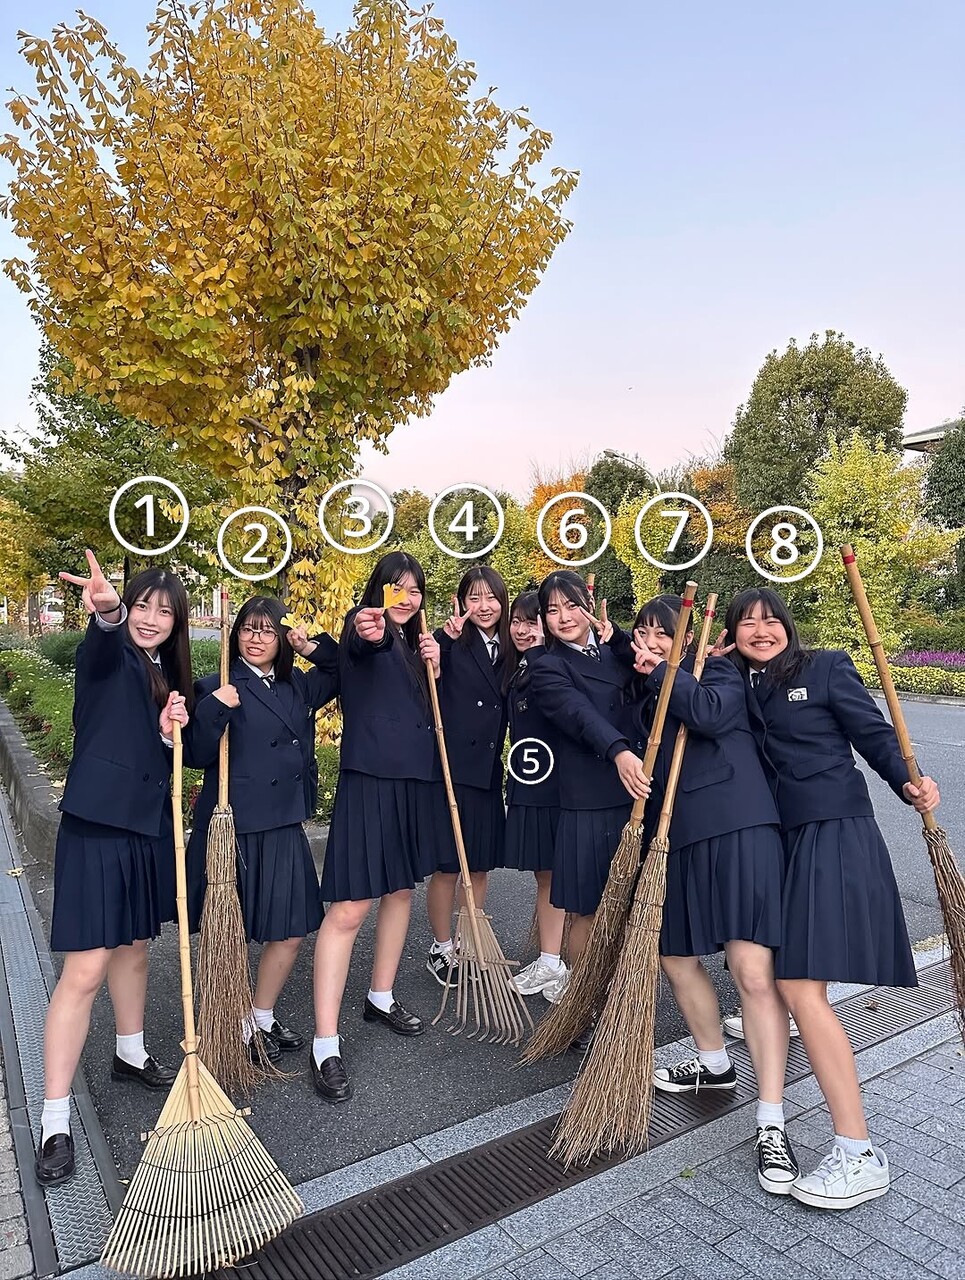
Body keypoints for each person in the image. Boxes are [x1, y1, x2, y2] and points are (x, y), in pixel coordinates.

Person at [723, 586, 940, 1209]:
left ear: (788, 626)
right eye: (746, 623)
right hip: (779, 842)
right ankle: (851, 1146)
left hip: (833, 829)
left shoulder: (824, 667)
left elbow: (874, 735)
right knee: (791, 984)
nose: (760, 630)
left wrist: (909, 782)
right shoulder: (737, 683)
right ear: (732, 634)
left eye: (770, 620)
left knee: (799, 987)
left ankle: (858, 1152)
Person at [35, 551, 204, 1185]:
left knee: (134, 947)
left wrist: (166, 733)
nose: (150, 618)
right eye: (140, 606)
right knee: (85, 969)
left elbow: (146, 745)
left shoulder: (166, 670)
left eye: (164, 611)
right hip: (98, 827)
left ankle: (129, 1053)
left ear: (178, 622)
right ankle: (54, 1119)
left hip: (146, 828)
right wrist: (106, 611)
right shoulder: (106, 655)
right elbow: (102, 646)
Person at [628, 594, 797, 1194]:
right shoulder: (646, 687)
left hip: (739, 826)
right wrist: (648, 680)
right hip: (677, 837)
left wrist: (667, 671)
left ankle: (772, 1120)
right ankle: (715, 1063)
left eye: (663, 633)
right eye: (643, 633)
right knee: (675, 956)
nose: (652, 642)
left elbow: (707, 715)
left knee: (752, 970)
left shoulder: (720, 672)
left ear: (686, 638)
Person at [311, 552, 447, 1103]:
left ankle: (380, 996)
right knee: (350, 907)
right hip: (369, 779)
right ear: (377, 593)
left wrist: (435, 665)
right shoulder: (363, 628)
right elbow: (363, 639)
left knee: (400, 891)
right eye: (395, 588)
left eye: (415, 590)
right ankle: (325, 1043)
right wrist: (369, 628)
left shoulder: (417, 646)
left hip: (415, 781)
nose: (406, 599)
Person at [187, 596, 339, 1063]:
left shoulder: (297, 685)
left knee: (290, 929)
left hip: (283, 821)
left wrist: (309, 647)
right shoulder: (216, 684)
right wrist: (215, 708)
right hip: (233, 827)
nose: (256, 638)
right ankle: (232, 1020)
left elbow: (340, 669)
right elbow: (194, 754)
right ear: (235, 635)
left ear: (281, 639)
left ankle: (261, 1014)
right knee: (229, 932)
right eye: (248, 629)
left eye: (267, 630)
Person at [528, 572, 649, 1007]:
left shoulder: (618, 648)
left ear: (590, 604)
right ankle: (582, 999)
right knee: (589, 907)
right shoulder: (547, 665)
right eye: (552, 610)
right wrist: (618, 751)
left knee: (633, 906)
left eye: (572, 605)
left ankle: (619, 993)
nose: (564, 617)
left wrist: (620, 639)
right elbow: (579, 713)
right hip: (590, 797)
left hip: (638, 791)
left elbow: (652, 673)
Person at [425, 566, 509, 983]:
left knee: (478, 866)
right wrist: (443, 642)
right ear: (460, 603)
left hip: (488, 772)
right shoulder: (449, 642)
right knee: (447, 866)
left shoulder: (512, 645)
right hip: (451, 770)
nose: (484, 606)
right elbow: (428, 678)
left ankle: (468, 942)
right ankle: (441, 948)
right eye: (474, 598)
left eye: (491, 597)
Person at [502, 591, 567, 1004]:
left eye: (532, 622)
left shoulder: (554, 664)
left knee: (563, 875)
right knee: (545, 873)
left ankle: (572, 964)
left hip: (559, 785)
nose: (523, 630)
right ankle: (550, 959)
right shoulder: (519, 666)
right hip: (530, 780)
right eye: (517, 622)